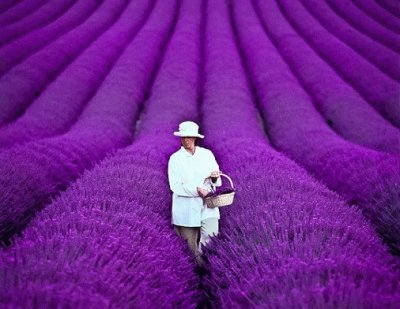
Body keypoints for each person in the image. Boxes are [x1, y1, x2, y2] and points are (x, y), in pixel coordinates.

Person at [167, 121, 222, 263]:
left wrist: (215, 179)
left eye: (189, 137)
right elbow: (175, 186)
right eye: (183, 137)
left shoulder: (207, 155)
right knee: (190, 250)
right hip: (185, 208)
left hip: (208, 205)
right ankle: (196, 277)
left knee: (211, 239)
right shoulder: (175, 159)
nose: (186, 140)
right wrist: (198, 191)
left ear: (195, 138)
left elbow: (218, 180)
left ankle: (210, 272)